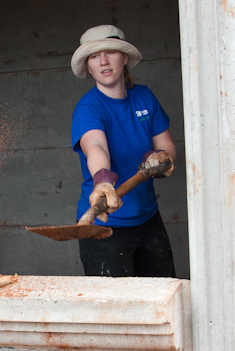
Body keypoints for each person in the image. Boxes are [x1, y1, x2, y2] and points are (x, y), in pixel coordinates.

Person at [70, 25, 176, 277]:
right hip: (104, 225)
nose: (103, 61)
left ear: (124, 58)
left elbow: (168, 145)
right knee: (114, 310)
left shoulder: (144, 97)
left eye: (110, 53)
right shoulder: (89, 108)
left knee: (163, 299)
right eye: (95, 56)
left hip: (148, 219)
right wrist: (103, 182)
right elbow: (95, 146)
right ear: (88, 66)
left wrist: (161, 156)